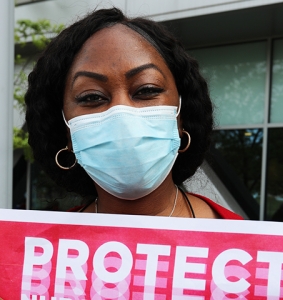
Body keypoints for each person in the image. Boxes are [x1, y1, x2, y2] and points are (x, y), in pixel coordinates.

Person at [25, 7, 242, 220]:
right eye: (91, 97)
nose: (122, 115)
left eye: (147, 90)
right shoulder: (37, 251)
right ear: (66, 131)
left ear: (181, 116)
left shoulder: (245, 248)